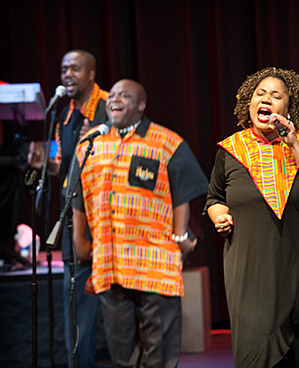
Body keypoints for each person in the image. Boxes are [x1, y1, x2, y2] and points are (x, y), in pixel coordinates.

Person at [204, 67, 299, 367]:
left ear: (289, 108)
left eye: (276, 95)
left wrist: (293, 143)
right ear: (249, 103)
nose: (266, 99)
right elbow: (214, 199)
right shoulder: (231, 150)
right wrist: (219, 215)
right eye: (260, 94)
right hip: (250, 275)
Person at [71, 79, 208, 368]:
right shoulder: (90, 143)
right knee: (121, 354)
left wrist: (180, 236)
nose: (115, 100)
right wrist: (79, 240)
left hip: (154, 260)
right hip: (110, 261)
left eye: (125, 96)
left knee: (158, 353)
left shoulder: (167, 142)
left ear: (141, 105)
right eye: (113, 96)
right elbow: (79, 195)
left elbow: (182, 194)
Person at [27, 49, 108, 368]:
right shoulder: (64, 113)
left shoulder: (107, 106)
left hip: (102, 217)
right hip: (72, 215)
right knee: (76, 304)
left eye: (74, 69)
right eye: (63, 70)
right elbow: (67, 165)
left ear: (91, 73)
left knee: (114, 305)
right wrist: (46, 164)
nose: (67, 76)